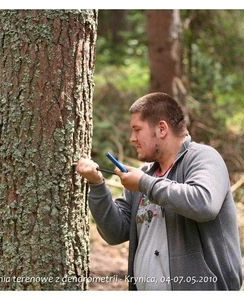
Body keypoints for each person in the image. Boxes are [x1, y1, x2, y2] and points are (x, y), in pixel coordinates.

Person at [76, 92, 243, 291]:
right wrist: (97, 185)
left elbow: (204, 204)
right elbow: (115, 232)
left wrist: (145, 184)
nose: (132, 139)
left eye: (137, 130)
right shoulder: (146, 174)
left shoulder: (203, 158)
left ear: (162, 129)